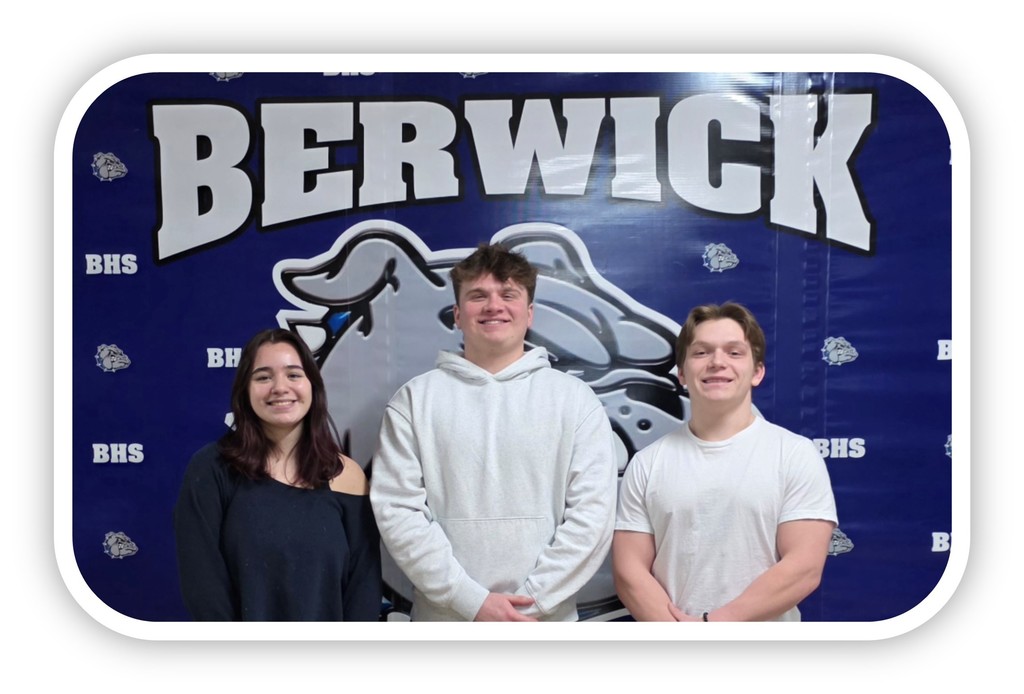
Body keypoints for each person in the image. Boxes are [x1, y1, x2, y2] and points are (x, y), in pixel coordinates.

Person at [370, 243, 618, 621]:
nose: (494, 306)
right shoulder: (414, 402)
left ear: (529, 313)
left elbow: (592, 517)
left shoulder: (575, 401)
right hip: (444, 625)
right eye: (477, 295)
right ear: (456, 313)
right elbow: (399, 513)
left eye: (508, 294)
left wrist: (530, 601)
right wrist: (471, 600)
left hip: (542, 623)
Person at [612, 302, 837, 622]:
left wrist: (714, 625)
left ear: (757, 371)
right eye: (702, 352)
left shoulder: (795, 455)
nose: (717, 362)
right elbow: (629, 572)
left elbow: (804, 567)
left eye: (734, 352)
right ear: (682, 373)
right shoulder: (648, 464)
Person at [174, 329, 382, 621]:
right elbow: (203, 587)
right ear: (245, 390)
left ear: (313, 385)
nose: (279, 387)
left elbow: (364, 587)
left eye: (294, 375)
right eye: (263, 377)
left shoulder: (347, 475)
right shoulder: (211, 469)